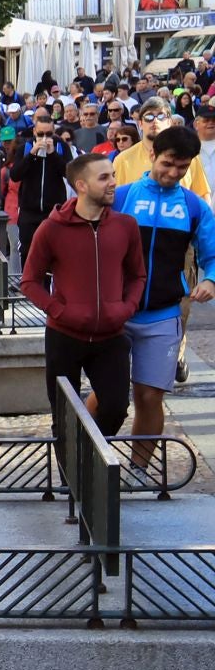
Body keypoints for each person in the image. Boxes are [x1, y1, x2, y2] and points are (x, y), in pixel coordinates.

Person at [21, 153, 146, 447]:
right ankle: (71, 484)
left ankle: (91, 462)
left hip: (112, 335)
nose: (113, 183)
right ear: (81, 185)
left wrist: (126, 308)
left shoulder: (126, 226)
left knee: (116, 407)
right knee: (63, 416)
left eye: (113, 175)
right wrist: (60, 311)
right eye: (104, 177)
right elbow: (30, 281)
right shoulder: (51, 228)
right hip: (64, 335)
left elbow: (137, 275)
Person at [111, 126, 215, 467]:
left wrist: (211, 280)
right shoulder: (122, 196)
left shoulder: (194, 206)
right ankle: (83, 461)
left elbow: (211, 255)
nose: (173, 173)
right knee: (108, 394)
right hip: (115, 313)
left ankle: (137, 472)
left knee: (149, 396)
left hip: (163, 314)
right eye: (168, 163)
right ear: (153, 154)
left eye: (182, 168)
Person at [114, 98, 211, 198]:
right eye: (149, 116)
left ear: (170, 122)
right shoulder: (123, 160)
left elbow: (202, 194)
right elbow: (116, 199)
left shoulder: (188, 155)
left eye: (161, 116)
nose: (155, 120)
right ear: (140, 124)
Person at [11, 117, 73, 267]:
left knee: (55, 252)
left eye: (48, 134)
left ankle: (52, 288)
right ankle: (30, 286)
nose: (44, 138)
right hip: (29, 210)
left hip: (54, 211)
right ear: (34, 132)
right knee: (28, 251)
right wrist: (32, 154)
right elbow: (15, 175)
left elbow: (69, 173)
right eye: (40, 134)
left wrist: (52, 155)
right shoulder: (24, 148)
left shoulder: (61, 147)